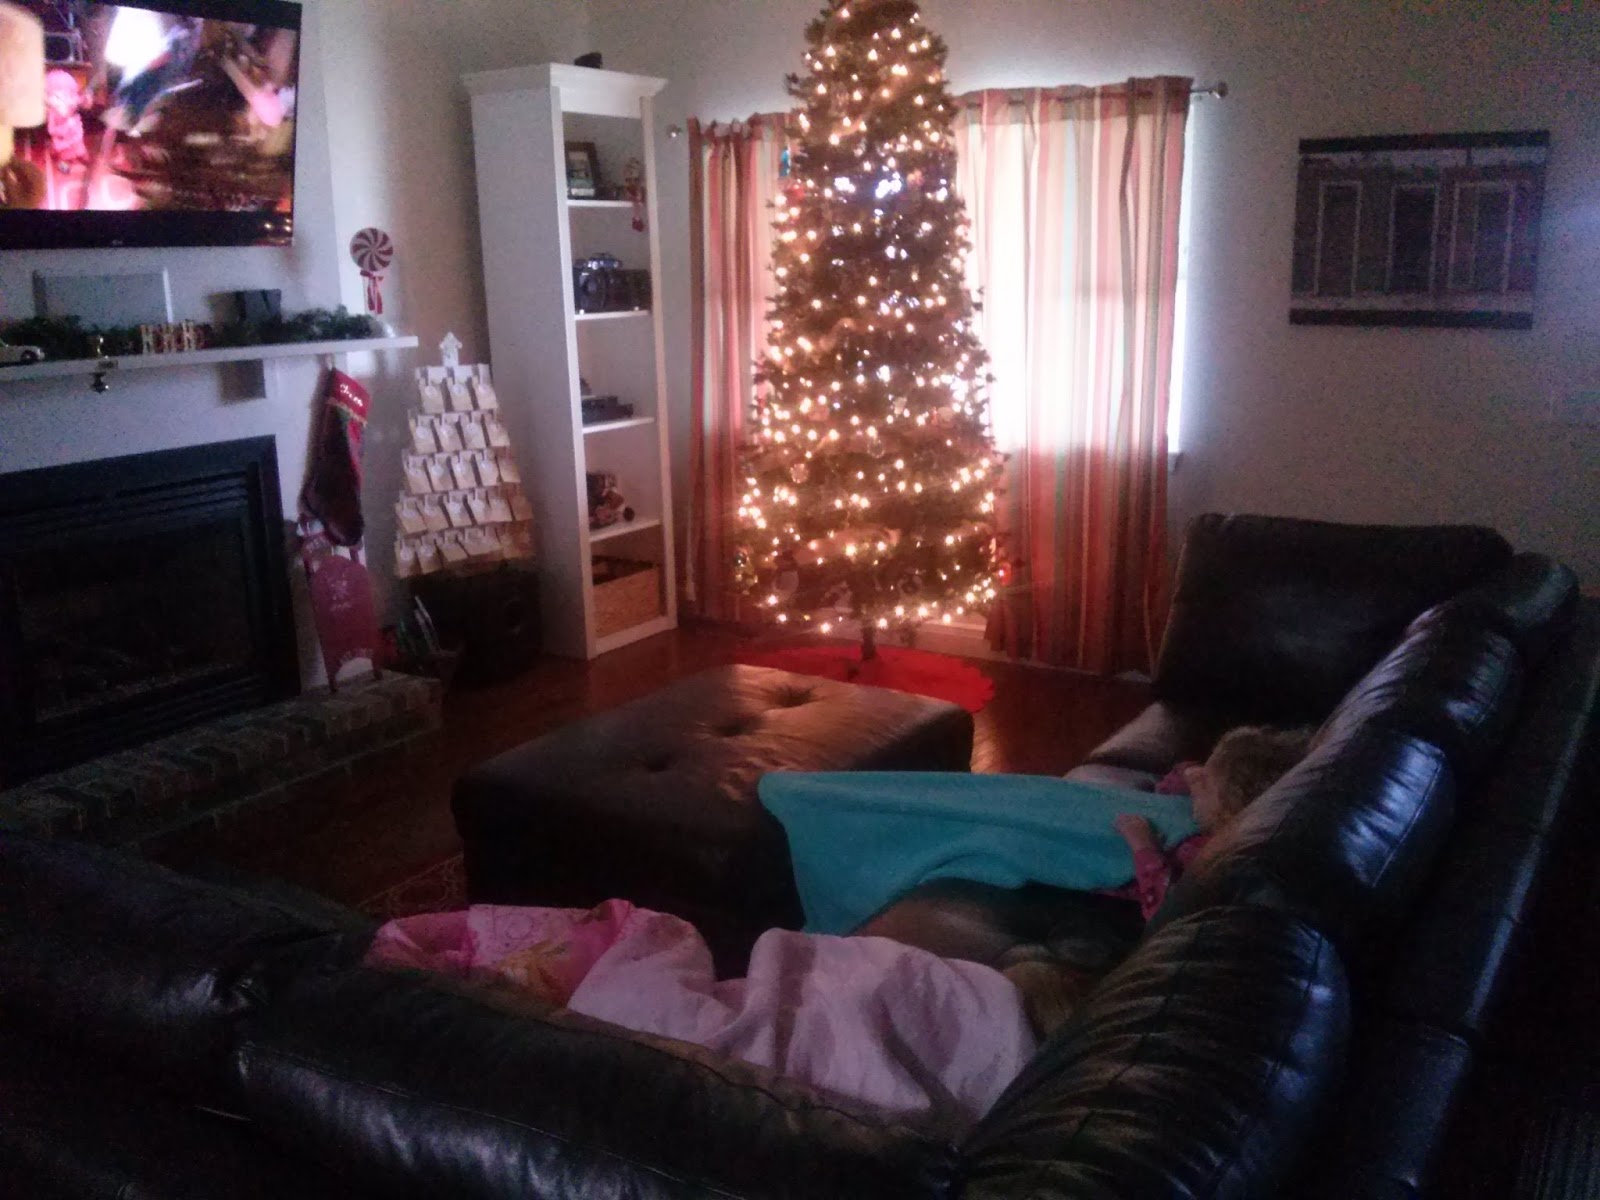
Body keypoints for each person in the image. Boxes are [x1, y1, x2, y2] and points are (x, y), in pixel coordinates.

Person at [1003, 724, 1314, 1037]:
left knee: (1041, 936)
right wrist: (1197, 776)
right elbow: (1172, 787)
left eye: (1206, 784)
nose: (1196, 776)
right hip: (1125, 919)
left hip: (1133, 928)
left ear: (1228, 810)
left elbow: (1165, 909)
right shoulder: (1211, 819)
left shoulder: (1209, 855)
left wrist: (1144, 846)